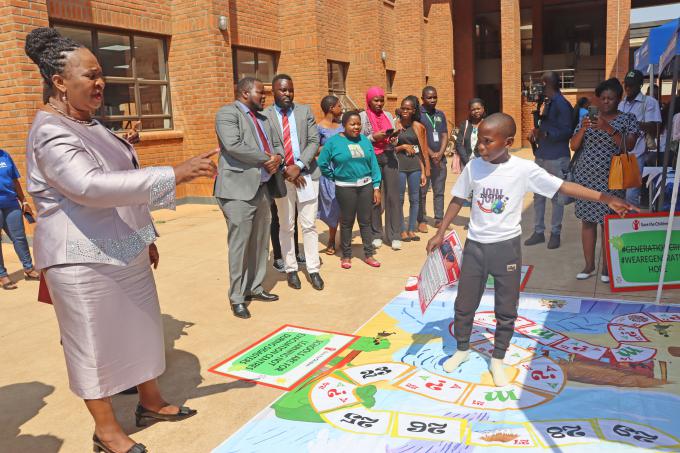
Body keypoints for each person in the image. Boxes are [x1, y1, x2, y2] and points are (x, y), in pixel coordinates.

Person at [24, 27, 216, 453]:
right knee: (93, 343)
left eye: (100, 75)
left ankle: (149, 403)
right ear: (59, 82)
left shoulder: (91, 125)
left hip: (123, 247)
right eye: (90, 75)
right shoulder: (50, 131)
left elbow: (124, 182)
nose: (99, 83)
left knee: (141, 329)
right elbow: (89, 186)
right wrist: (174, 174)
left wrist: (145, 235)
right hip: (80, 256)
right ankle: (106, 431)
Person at [426, 113, 636, 387]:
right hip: (476, 247)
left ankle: (497, 358)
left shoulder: (523, 170)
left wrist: (605, 197)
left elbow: (563, 186)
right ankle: (463, 349)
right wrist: (441, 231)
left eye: (487, 142)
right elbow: (457, 198)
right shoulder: (474, 167)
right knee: (464, 304)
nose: (480, 147)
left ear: (508, 142)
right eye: (479, 140)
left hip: (506, 249)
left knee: (506, 308)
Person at [215, 76, 284, 319]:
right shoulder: (227, 113)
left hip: (263, 189)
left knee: (260, 242)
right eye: (260, 92)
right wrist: (267, 158)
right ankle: (237, 297)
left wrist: (278, 156)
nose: (264, 96)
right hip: (237, 191)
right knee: (240, 245)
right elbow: (233, 145)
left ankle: (255, 287)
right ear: (245, 93)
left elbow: (278, 145)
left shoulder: (264, 119)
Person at [571, 78, 639, 283]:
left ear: (619, 99)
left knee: (609, 223)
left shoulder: (628, 118)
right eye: (603, 98)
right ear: (597, 100)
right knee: (588, 222)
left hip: (612, 179)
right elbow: (574, 146)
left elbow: (629, 146)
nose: (606, 102)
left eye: (611, 98)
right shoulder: (587, 119)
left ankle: (607, 269)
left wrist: (607, 128)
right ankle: (589, 265)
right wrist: (583, 129)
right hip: (586, 178)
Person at [264, 74, 323, 291]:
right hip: (281, 178)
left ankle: (313, 268)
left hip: (307, 175)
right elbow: (266, 145)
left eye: (290, 89)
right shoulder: (265, 115)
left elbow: (314, 140)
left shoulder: (304, 111)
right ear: (274, 92)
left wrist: (298, 165)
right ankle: (291, 269)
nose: (287, 93)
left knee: (309, 224)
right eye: (282, 90)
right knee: (286, 225)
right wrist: (286, 170)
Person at [318, 111, 382, 269]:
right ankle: (346, 256)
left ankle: (368, 254)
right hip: (345, 188)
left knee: (365, 222)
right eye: (352, 124)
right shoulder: (333, 142)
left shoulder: (365, 142)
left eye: (358, 124)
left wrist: (376, 186)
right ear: (344, 125)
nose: (356, 127)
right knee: (346, 222)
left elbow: (373, 164)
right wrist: (333, 177)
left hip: (365, 186)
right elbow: (322, 162)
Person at [525, 71, 574, 250]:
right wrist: (536, 133)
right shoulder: (548, 103)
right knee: (538, 195)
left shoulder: (562, 104)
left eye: (541, 84)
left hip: (557, 157)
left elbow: (568, 131)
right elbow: (545, 125)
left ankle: (555, 233)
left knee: (556, 197)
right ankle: (538, 232)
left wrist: (546, 134)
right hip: (542, 155)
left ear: (547, 83)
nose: (539, 87)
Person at [360, 87, 401, 250]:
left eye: (381, 100)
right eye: (375, 100)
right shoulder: (363, 117)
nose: (379, 103)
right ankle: (376, 234)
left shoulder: (388, 115)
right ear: (369, 100)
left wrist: (393, 139)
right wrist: (373, 137)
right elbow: (359, 138)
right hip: (372, 158)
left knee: (393, 196)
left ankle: (394, 235)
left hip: (389, 156)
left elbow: (394, 140)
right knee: (375, 196)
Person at [619, 69, 661, 205]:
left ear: (640, 85)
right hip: (619, 154)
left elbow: (654, 127)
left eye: (632, 84)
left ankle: (631, 224)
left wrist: (633, 123)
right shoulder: (621, 104)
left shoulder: (649, 102)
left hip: (636, 155)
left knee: (631, 195)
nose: (628, 87)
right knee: (619, 194)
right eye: (626, 84)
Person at [0, 148, 40, 289]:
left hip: (11, 203)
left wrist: (24, 201)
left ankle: (28, 269)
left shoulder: (5, 155)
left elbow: (14, 179)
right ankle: (2, 275)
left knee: (20, 237)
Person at [394, 96, 430, 242]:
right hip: (400, 166)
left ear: (413, 110)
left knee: (415, 199)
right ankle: (402, 229)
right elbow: (390, 148)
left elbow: (421, 151)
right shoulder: (396, 124)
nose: (405, 111)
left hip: (415, 166)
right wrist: (402, 147)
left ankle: (411, 230)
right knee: (400, 198)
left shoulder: (418, 127)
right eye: (403, 108)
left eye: (408, 109)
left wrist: (423, 172)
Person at [418, 86, 449, 232]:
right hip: (424, 160)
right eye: (429, 97)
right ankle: (422, 220)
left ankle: (439, 219)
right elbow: (419, 138)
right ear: (422, 98)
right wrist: (431, 154)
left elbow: (444, 134)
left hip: (440, 159)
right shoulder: (418, 114)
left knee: (439, 191)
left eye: (435, 97)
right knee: (422, 191)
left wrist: (440, 153)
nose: (432, 100)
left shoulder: (440, 114)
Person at [316, 95, 343, 255]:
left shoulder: (342, 126)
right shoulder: (319, 128)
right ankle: (332, 239)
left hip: (343, 170)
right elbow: (314, 149)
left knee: (344, 205)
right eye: (339, 106)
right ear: (331, 108)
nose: (342, 108)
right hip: (328, 172)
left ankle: (342, 239)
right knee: (332, 204)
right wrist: (329, 147)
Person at [455, 98, 486, 166]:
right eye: (473, 110)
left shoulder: (487, 124)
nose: (476, 111)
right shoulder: (464, 125)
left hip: (483, 162)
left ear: (483, 109)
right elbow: (458, 144)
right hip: (466, 162)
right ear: (469, 111)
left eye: (478, 108)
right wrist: (466, 160)